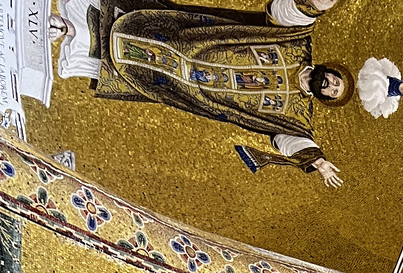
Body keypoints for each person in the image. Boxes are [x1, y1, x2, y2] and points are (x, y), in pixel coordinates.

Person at [92, 0, 354, 186]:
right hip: (197, 42)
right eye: (335, 80)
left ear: (327, 99)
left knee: (143, 71)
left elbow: (294, 141)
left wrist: (318, 161)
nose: (330, 85)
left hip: (193, 88)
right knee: (144, 32)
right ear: (331, 70)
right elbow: (286, 14)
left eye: (333, 91)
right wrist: (315, 4)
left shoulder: (298, 115)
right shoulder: (297, 42)